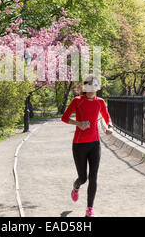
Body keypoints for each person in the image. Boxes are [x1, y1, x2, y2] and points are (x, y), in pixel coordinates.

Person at [61, 75, 113, 217]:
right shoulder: (77, 101)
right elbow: (64, 117)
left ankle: (89, 209)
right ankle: (76, 186)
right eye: (89, 84)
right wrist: (78, 124)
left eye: (95, 84)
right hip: (79, 145)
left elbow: (107, 117)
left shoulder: (100, 102)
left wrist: (110, 127)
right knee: (83, 178)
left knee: (94, 177)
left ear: (98, 87)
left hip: (95, 144)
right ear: (85, 87)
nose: (92, 87)